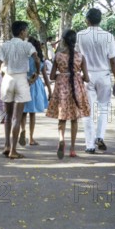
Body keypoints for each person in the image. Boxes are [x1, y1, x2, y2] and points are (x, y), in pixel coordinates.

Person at [0, 20, 39, 159]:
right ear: (22, 32)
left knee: (8, 116)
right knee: (17, 118)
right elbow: (37, 60)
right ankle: (13, 150)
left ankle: (6, 145)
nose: (27, 33)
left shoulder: (5, 46)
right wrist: (36, 74)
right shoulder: (28, 45)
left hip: (7, 80)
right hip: (21, 80)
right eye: (26, 31)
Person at [76, 8, 115, 154]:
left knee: (87, 111)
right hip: (104, 75)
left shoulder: (80, 35)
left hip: (86, 76)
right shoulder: (108, 36)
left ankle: (89, 145)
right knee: (103, 109)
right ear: (100, 19)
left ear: (86, 20)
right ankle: (100, 136)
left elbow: (77, 58)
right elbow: (113, 60)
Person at [46, 29, 90, 158]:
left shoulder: (58, 56)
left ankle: (61, 139)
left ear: (63, 41)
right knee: (74, 119)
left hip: (62, 88)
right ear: (75, 41)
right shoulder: (80, 56)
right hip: (76, 88)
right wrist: (78, 76)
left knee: (62, 117)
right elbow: (87, 78)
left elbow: (52, 76)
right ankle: (72, 149)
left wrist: (62, 74)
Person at [20, 36, 52, 146]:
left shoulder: (24, 58)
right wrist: (49, 90)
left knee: (23, 112)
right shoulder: (40, 60)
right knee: (32, 113)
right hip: (36, 85)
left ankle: (22, 130)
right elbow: (45, 77)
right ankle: (31, 138)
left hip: (25, 83)